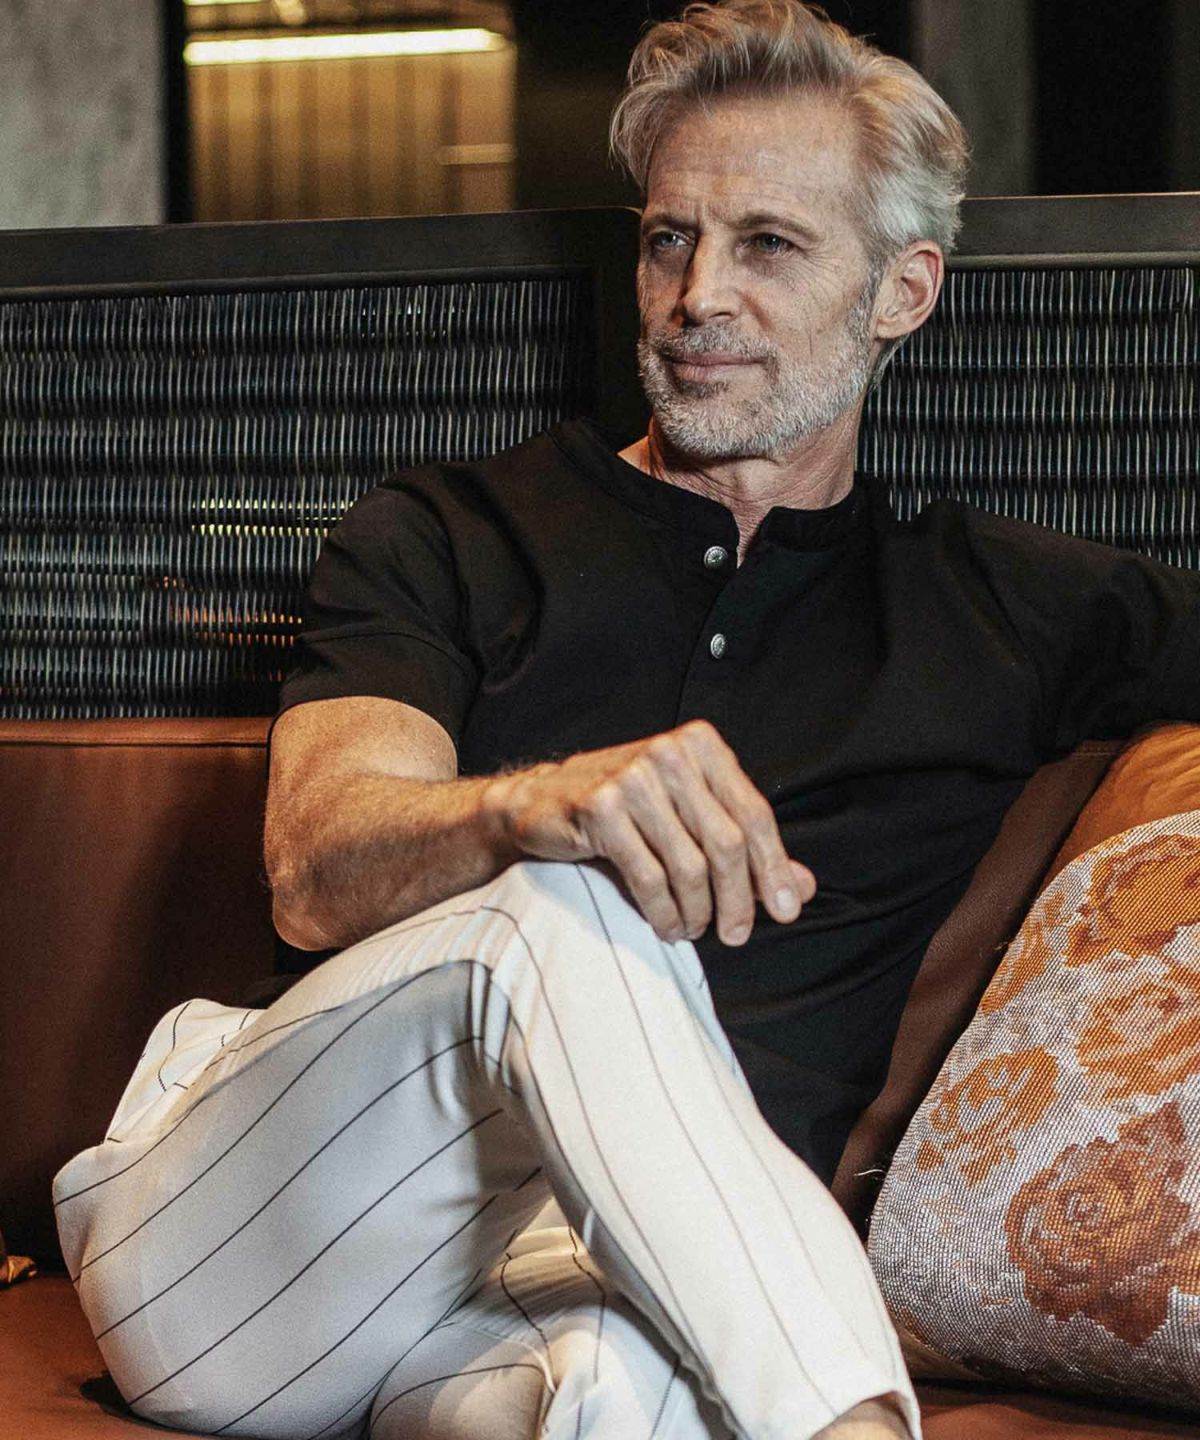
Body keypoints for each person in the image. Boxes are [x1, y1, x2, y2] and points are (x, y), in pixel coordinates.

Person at [54, 2, 1200, 1438]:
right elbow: (315, 866)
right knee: (566, 906)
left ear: (901, 293)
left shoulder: (1007, 609)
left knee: (633, 1401)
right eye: (670, 239)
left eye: (768, 245)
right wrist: (538, 809)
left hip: (615, 1295)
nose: (697, 294)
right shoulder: (450, 532)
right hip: (274, 1252)